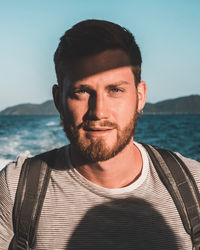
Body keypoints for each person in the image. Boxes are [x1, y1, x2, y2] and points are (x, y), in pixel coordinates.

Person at [0, 19, 199, 250]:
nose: (98, 111)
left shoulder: (193, 187)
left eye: (115, 90)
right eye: (82, 91)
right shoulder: (16, 190)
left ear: (140, 96)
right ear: (58, 100)